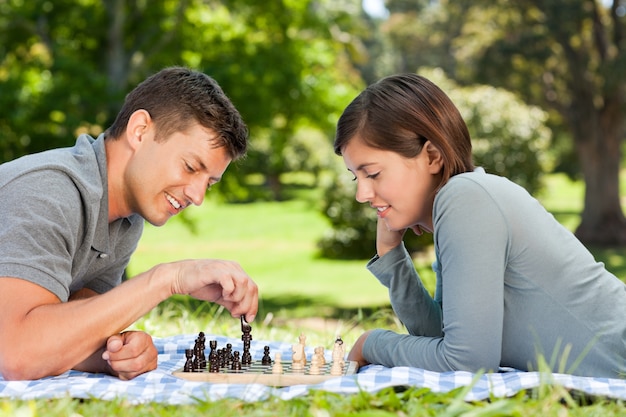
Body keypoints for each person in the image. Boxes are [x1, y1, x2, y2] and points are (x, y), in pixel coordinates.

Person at [336, 73, 626, 378]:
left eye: (373, 174)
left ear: (432, 156)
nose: (361, 195)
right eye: (357, 177)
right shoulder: (462, 205)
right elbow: (444, 338)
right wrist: (391, 253)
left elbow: (465, 363)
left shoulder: (466, 197)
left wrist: (373, 343)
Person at [0, 67, 258, 381]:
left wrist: (116, 351)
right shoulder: (49, 192)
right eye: (191, 167)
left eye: (210, 183)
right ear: (139, 131)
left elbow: (76, 314)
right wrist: (167, 279)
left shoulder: (125, 220)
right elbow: (18, 354)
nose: (197, 195)